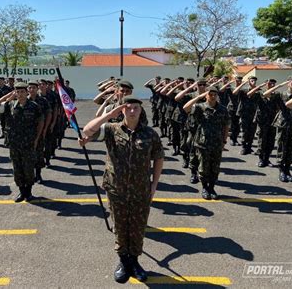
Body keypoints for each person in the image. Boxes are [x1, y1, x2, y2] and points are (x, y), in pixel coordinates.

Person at [80, 96, 164, 284]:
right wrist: (109, 114)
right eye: (128, 108)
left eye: (136, 108)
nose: (132, 111)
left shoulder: (150, 134)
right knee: (119, 226)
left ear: (141, 110)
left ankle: (134, 262)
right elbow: (87, 130)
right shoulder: (111, 130)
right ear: (122, 110)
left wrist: (154, 185)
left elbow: (159, 158)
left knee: (137, 227)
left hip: (140, 190)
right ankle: (123, 262)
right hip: (116, 189)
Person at [0, 82, 44, 202]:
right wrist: (7, 96)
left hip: (28, 143)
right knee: (17, 168)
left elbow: (40, 122)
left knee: (29, 168)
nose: (20, 94)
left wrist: (36, 139)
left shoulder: (34, 106)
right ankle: (21, 192)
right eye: (17, 92)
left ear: (27, 92)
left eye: (22, 92)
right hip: (14, 144)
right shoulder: (9, 106)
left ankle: (29, 192)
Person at [184, 87, 230, 200]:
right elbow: (186, 108)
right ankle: (205, 188)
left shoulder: (223, 109)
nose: (213, 96)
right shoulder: (200, 107)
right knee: (203, 168)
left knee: (215, 168)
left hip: (217, 143)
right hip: (202, 143)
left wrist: (224, 141)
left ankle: (212, 188)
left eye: (215, 94)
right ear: (206, 95)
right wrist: (198, 97)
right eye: (210, 94)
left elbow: (226, 126)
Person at [263, 75, 292, 182]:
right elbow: (265, 94)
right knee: (282, 147)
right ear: (288, 83)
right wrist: (280, 85)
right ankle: (281, 171)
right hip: (282, 123)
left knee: (291, 148)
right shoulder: (280, 94)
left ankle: (287, 170)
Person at [247, 79, 279, 167]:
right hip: (262, 121)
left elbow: (279, 107)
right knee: (262, 140)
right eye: (269, 83)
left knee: (271, 141)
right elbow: (249, 94)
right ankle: (261, 159)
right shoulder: (260, 94)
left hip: (272, 121)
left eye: (273, 83)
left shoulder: (276, 95)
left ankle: (267, 159)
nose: (272, 85)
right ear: (266, 84)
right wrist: (259, 86)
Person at [232, 76, 260, 155]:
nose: (253, 82)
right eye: (251, 81)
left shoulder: (258, 91)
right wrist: (242, 84)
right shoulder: (243, 91)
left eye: (254, 81)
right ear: (248, 82)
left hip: (254, 114)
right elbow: (234, 92)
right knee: (244, 131)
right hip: (244, 113)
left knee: (252, 131)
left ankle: (249, 147)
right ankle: (244, 147)